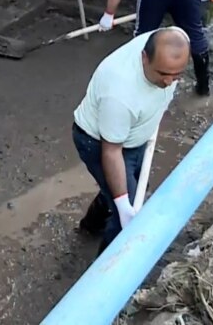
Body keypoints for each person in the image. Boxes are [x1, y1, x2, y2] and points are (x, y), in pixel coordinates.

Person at [72, 27, 191, 255]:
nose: (168, 82)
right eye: (162, 74)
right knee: (125, 217)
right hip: (98, 142)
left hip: (132, 136)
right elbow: (112, 152)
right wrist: (124, 205)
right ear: (144, 58)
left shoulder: (174, 38)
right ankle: (105, 275)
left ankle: (91, 225)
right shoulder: (119, 93)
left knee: (128, 187)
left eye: (176, 76)